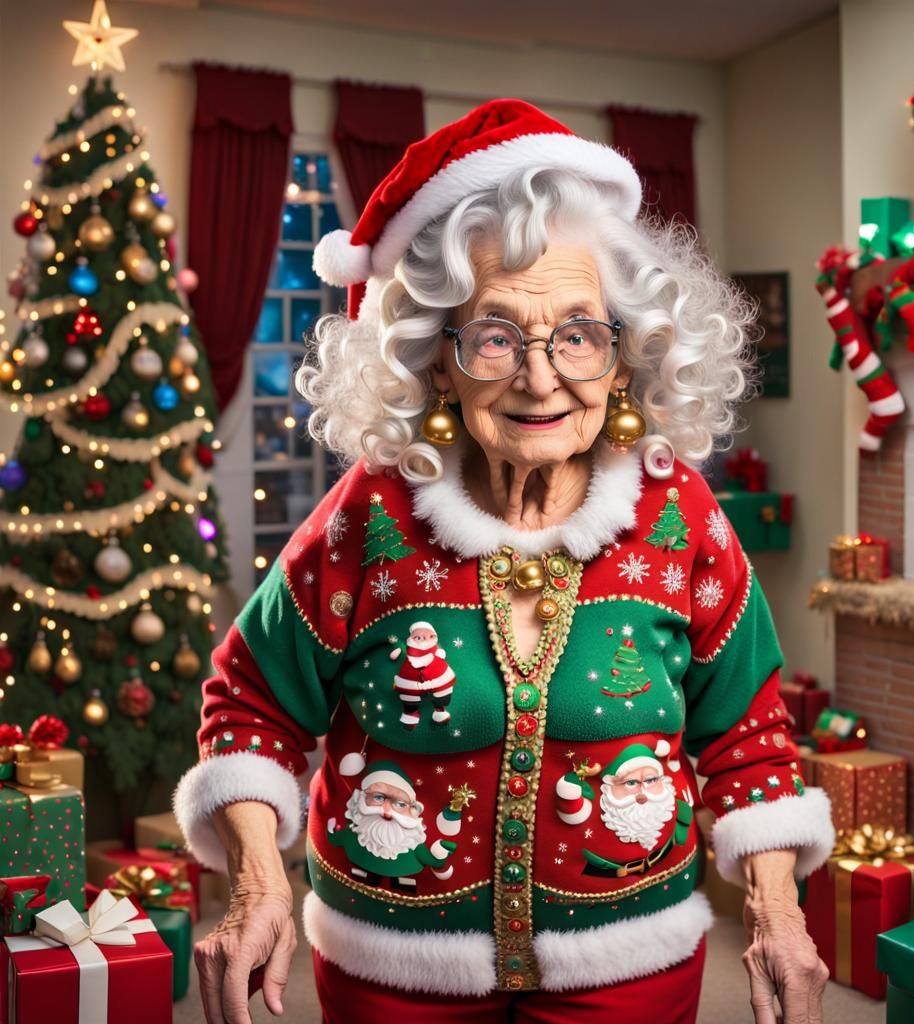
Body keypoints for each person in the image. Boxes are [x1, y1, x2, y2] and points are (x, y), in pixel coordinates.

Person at [174, 99, 834, 1024]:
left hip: (630, 960)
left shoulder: (679, 516)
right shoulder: (372, 514)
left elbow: (748, 736)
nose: (540, 375)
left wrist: (777, 912)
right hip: (396, 969)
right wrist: (258, 883)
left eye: (579, 333)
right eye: (494, 335)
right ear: (438, 361)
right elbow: (251, 705)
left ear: (624, 356)